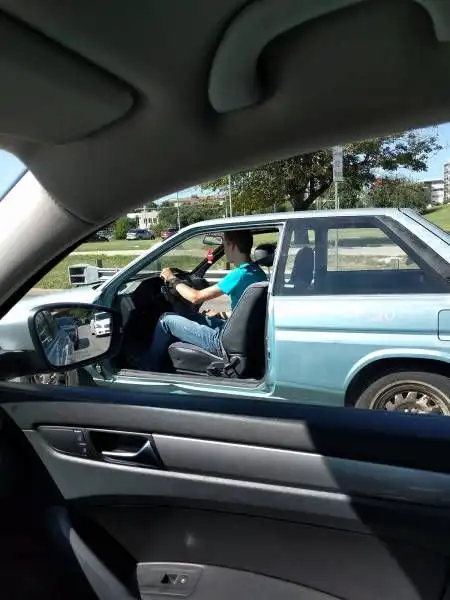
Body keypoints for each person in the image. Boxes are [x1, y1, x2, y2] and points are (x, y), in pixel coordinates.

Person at [143, 230, 267, 371]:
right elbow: (248, 311)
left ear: (232, 245)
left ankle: (148, 367)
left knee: (166, 320)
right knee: (192, 317)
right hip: (240, 335)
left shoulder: (240, 274)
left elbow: (196, 297)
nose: (224, 249)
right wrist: (221, 314)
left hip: (223, 341)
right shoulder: (257, 272)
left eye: (225, 245)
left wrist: (171, 278)